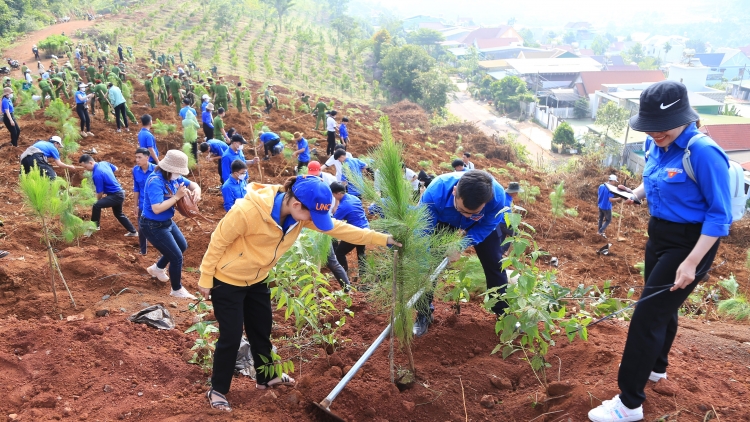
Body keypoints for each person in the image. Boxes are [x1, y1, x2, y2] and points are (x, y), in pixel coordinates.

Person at [587, 81, 731, 422]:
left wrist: (692, 263)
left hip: (691, 243)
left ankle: (628, 404)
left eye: (661, 127)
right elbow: (653, 180)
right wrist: (633, 194)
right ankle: (655, 367)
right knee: (663, 309)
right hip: (660, 236)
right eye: (649, 127)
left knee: (646, 317)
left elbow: (719, 215)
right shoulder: (657, 146)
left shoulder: (703, 152)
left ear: (683, 117)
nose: (655, 134)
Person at [198, 175, 400, 411]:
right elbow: (218, 241)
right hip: (227, 281)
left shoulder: (300, 217)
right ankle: (218, 390)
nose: (314, 221)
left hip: (257, 279)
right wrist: (205, 278)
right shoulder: (246, 211)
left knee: (261, 330)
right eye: (312, 215)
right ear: (296, 205)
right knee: (231, 337)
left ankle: (267, 377)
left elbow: (341, 229)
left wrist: (382, 238)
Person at [415, 170, 508, 337]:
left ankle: (503, 314)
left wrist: (461, 244)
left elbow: (487, 225)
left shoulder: (497, 196)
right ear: (454, 191)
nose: (466, 216)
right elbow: (422, 234)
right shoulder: (437, 191)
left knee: (495, 263)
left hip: (480, 225)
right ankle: (424, 313)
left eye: (471, 213)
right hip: (443, 221)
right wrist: (423, 266)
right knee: (429, 264)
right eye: (462, 209)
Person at [140, 150, 202, 299]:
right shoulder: (155, 181)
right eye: (177, 172)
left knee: (182, 246)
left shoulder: (174, 178)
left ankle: (158, 268)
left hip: (166, 221)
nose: (179, 175)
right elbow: (157, 208)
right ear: (169, 169)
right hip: (152, 225)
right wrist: (177, 196)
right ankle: (176, 289)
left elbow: (192, 184)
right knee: (176, 257)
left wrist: (197, 191)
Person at [79, 155, 138, 236]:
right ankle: (133, 232)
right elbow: (116, 169)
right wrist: (108, 175)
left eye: (85, 166)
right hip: (119, 193)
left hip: (116, 195)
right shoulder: (104, 163)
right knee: (118, 214)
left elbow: (100, 192)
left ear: (90, 162)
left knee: (96, 205)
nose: (86, 169)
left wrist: (96, 201)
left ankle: (95, 226)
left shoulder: (97, 174)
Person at [330, 182, 371, 282]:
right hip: (366, 229)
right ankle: (364, 277)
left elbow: (334, 221)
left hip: (356, 233)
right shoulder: (354, 198)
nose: (333, 197)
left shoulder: (344, 205)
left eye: (333, 195)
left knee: (339, 252)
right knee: (361, 253)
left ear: (338, 193)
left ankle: (344, 276)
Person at [132, 148, 156, 255]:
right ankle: (143, 251)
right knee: (141, 229)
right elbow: (136, 188)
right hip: (142, 204)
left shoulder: (157, 170)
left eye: (139, 157)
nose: (137, 160)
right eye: (136, 157)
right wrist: (135, 205)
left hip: (156, 204)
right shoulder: (135, 170)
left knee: (157, 228)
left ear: (147, 158)